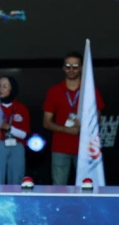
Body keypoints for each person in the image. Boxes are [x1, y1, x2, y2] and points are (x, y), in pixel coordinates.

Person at [42, 51, 104, 185]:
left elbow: (97, 118)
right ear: (63, 68)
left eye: (75, 66)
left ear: (81, 68)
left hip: (85, 147)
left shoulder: (90, 90)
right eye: (68, 66)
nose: (71, 69)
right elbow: (46, 122)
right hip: (60, 147)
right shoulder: (54, 91)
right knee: (59, 187)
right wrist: (67, 130)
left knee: (88, 186)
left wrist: (83, 127)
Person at [0, 76, 30, 185]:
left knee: (16, 179)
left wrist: (9, 128)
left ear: (12, 89)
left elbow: (24, 135)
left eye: (5, 86)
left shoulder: (21, 108)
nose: (1, 89)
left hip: (17, 145)